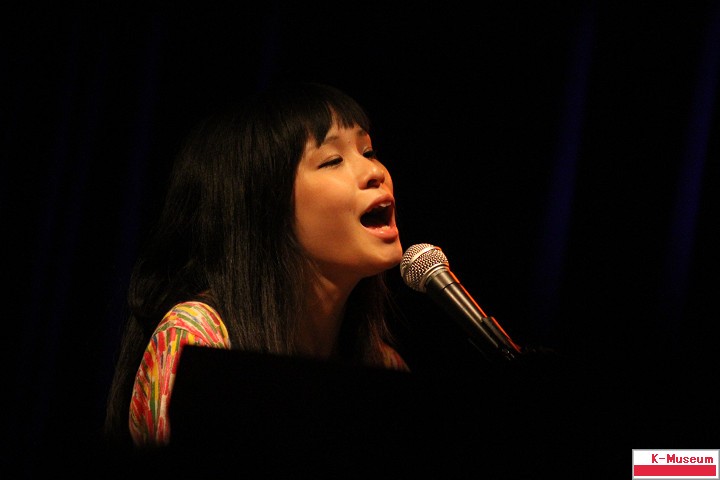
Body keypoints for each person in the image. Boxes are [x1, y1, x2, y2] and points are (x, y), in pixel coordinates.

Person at [104, 81, 410, 449]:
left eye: (369, 151)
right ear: (265, 207)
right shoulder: (196, 339)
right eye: (332, 160)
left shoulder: (383, 364)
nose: (374, 172)